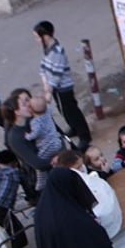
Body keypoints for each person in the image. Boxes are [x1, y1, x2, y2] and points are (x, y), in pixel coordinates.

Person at [34, 20, 91, 150]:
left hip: (63, 88)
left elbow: (56, 73)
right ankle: (74, 128)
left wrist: (48, 90)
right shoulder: (48, 49)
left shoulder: (57, 51)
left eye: (38, 37)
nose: (36, 40)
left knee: (71, 110)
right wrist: (45, 81)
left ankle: (84, 135)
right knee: (63, 110)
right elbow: (44, 65)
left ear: (46, 36)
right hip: (55, 88)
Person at [55, 148, 122, 239]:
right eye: (78, 167)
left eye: (82, 164)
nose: (83, 168)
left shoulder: (91, 178)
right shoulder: (68, 193)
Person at [1, 88, 49, 201]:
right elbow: (38, 164)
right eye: (24, 103)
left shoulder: (32, 121)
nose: (29, 104)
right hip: (44, 176)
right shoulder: (15, 137)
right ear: (16, 112)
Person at [25, 94, 64, 191]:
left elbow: (36, 133)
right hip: (57, 142)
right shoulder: (48, 112)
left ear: (31, 110)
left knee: (40, 164)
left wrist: (28, 136)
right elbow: (48, 104)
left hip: (47, 146)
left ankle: (41, 182)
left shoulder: (36, 122)